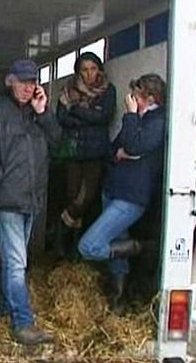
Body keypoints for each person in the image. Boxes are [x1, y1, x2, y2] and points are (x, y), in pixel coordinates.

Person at [0, 59, 61, 345]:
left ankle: (2, 307)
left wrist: (43, 112)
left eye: (32, 82)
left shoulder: (36, 113)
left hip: (30, 199)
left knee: (13, 260)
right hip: (6, 198)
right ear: (10, 81)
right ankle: (23, 322)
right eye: (22, 81)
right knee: (17, 261)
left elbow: (58, 142)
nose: (28, 87)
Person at [78, 74, 166, 315]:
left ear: (150, 97)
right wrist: (126, 151)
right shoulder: (141, 119)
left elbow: (134, 145)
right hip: (115, 189)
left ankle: (142, 247)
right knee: (116, 249)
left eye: (135, 94)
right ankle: (117, 301)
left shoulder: (157, 120)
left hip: (130, 196)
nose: (131, 99)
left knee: (89, 246)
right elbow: (114, 149)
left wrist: (130, 116)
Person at [55, 52, 116, 258]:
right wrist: (87, 117)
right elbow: (61, 118)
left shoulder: (108, 90)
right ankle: (71, 251)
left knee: (85, 199)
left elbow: (103, 117)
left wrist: (76, 110)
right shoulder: (68, 89)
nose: (89, 74)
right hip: (73, 151)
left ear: (99, 69)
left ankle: (60, 229)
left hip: (95, 153)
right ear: (78, 72)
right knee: (73, 196)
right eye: (84, 69)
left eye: (92, 68)